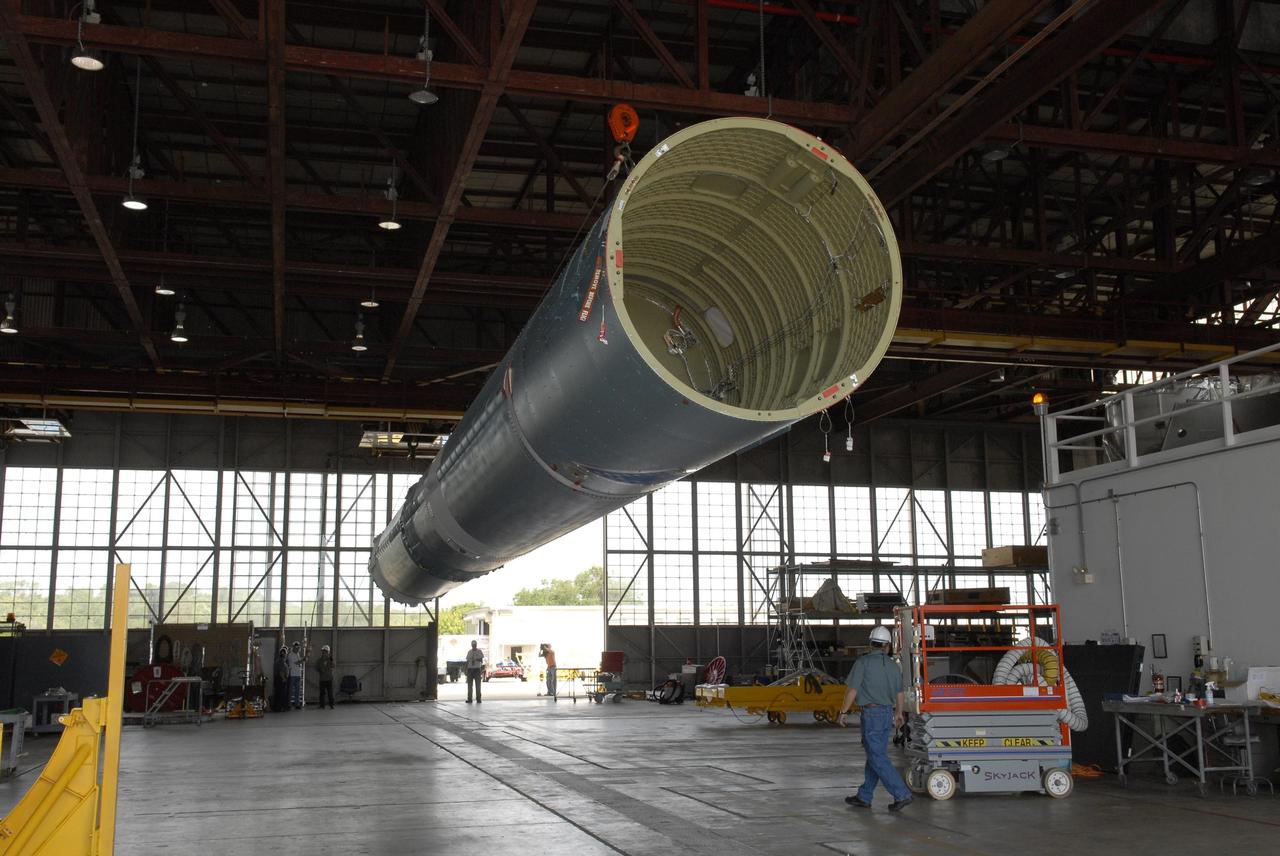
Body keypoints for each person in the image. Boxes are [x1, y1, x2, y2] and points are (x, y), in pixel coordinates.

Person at [836, 625, 912, 812]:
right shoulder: (894, 666)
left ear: (871, 644)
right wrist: (899, 713)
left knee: (877, 756)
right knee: (874, 754)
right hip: (887, 714)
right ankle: (865, 796)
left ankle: (902, 793)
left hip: (872, 715)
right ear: (887, 646)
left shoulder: (863, 663)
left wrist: (843, 711)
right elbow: (899, 693)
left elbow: (852, 689)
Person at [316, 645, 335, 709]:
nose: (324, 653)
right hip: (322, 679)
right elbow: (317, 667)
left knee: (330, 693)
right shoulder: (319, 660)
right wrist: (320, 670)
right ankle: (322, 705)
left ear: (328, 652)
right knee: (322, 693)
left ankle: (331, 704)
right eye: (323, 651)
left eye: (325, 652)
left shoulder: (330, 660)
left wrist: (331, 661)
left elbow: (333, 666)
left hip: (329, 679)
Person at [287, 641, 305, 710]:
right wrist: (304, 658)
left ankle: (297, 704)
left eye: (298, 647)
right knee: (291, 690)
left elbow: (300, 661)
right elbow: (298, 662)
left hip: (298, 674)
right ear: (293, 647)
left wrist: (304, 658)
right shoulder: (290, 655)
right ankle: (289, 704)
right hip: (292, 674)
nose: (297, 649)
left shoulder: (297, 654)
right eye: (296, 647)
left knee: (297, 691)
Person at [272, 646, 290, 713]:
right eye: (285, 653)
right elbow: (281, 671)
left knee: (278, 693)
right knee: (281, 694)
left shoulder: (279, 661)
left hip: (278, 679)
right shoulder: (281, 661)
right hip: (280, 679)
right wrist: (284, 678)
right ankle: (280, 707)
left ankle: (277, 707)